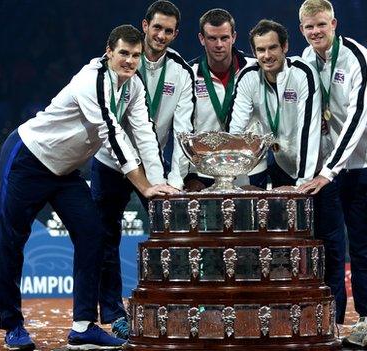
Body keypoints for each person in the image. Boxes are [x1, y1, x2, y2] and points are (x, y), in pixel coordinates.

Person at [0, 24, 176, 351]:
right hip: (29, 158)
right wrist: (143, 188)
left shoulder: (133, 87)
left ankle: (83, 326)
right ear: (109, 52)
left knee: (93, 233)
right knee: (11, 241)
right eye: (123, 53)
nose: (130, 60)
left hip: (64, 171)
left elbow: (145, 134)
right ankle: (13, 326)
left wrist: (158, 183)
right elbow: (112, 134)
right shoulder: (90, 79)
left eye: (136, 55)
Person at [297, 0, 367, 349]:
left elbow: (357, 119)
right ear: (302, 30)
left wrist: (328, 170)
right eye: (309, 27)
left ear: (334, 24)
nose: (316, 32)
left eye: (321, 25)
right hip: (345, 165)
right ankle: (364, 318)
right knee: (357, 242)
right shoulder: (306, 60)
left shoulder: (358, 58)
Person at [89, 1, 194, 339]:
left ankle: (175, 304)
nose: (161, 35)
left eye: (168, 30)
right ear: (145, 25)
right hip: (109, 161)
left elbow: (182, 133)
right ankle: (116, 314)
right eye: (157, 27)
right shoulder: (116, 64)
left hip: (151, 167)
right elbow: (105, 123)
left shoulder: (180, 72)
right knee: (106, 237)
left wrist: (172, 182)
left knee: (172, 234)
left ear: (176, 34)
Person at [227, 19, 321, 189]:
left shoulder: (302, 74)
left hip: (315, 168)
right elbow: (236, 130)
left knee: (327, 215)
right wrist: (237, 182)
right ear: (254, 53)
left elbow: (309, 131)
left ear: (284, 47)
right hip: (281, 165)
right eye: (261, 50)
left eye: (272, 47)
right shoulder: (248, 76)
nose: (267, 55)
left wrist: (302, 184)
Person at [186, 8, 260, 190]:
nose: (219, 44)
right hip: (205, 170)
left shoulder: (255, 69)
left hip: (250, 168)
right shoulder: (189, 74)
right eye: (212, 38)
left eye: (224, 38)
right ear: (201, 39)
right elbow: (183, 127)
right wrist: (188, 174)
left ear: (233, 37)